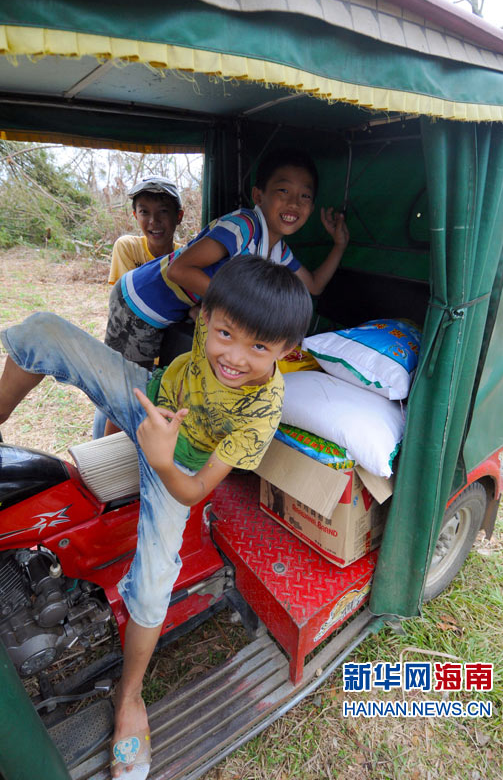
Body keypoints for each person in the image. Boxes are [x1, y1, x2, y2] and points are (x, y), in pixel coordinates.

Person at [0, 255, 313, 780]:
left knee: (152, 584)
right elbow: (177, 273)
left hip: (180, 465)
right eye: (225, 334)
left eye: (259, 348)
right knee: (42, 330)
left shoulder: (262, 411)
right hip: (149, 401)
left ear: (287, 351)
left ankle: (130, 698)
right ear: (204, 318)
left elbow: (196, 491)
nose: (234, 357)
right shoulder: (211, 328)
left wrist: (163, 459)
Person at [104, 148, 350, 381]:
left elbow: (314, 286)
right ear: (258, 196)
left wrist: (339, 244)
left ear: (312, 206)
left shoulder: (277, 250)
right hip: (138, 302)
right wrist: (236, 307)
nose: (294, 202)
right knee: (125, 387)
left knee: (153, 383)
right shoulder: (242, 226)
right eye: (283, 190)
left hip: (168, 310)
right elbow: (179, 270)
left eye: (305, 195)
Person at [94, 175, 185, 438]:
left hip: (166, 362)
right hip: (127, 357)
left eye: (163, 212)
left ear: (179, 216)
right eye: (144, 212)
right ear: (135, 215)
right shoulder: (128, 247)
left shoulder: (187, 256)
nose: (153, 221)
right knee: (108, 418)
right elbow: (131, 307)